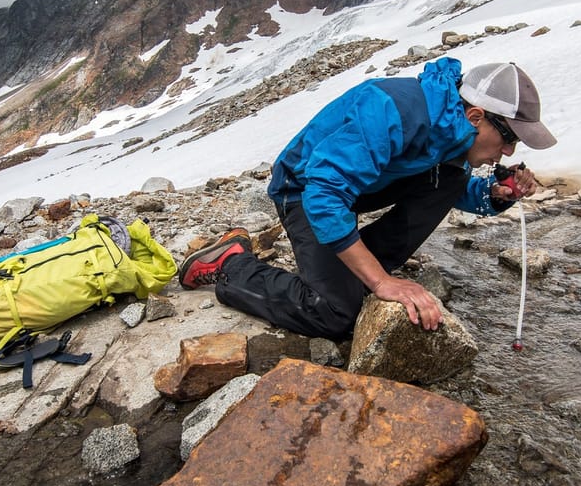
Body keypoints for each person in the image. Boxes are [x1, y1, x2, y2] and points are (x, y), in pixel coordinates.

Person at [179, 57, 557, 340]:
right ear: (476, 116)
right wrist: (380, 282)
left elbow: (445, 189)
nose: (508, 152)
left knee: (452, 179)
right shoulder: (392, 109)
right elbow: (323, 193)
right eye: (509, 138)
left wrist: (494, 194)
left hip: (357, 189)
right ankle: (234, 265)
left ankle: (354, 269)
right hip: (303, 189)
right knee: (334, 315)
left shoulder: (453, 129)